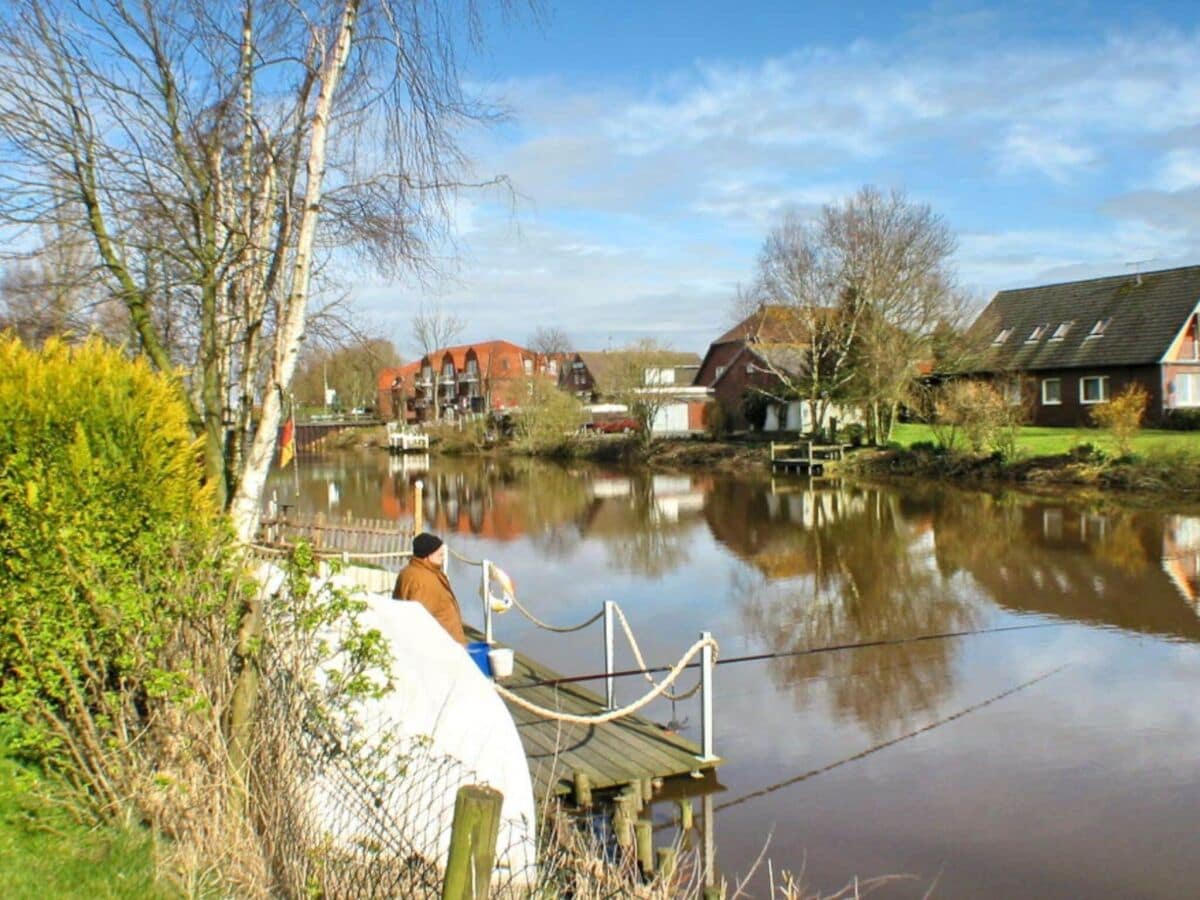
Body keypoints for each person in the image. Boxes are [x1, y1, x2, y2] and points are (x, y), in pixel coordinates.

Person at [393, 532, 466, 644]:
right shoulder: (421, 581)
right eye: (439, 555)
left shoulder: (416, 572)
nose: (443, 558)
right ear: (427, 556)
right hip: (442, 646)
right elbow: (419, 621)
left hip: (447, 642)